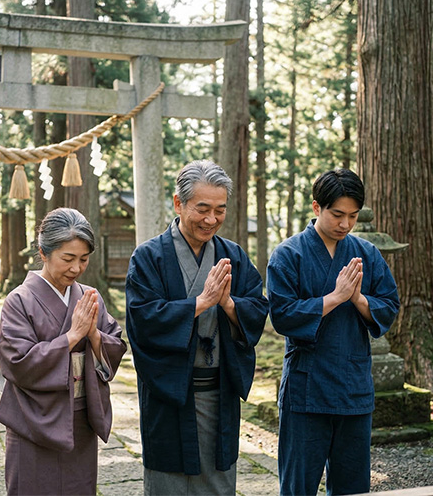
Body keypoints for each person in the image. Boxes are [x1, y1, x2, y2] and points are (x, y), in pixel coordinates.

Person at [125, 160, 268, 495]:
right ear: (179, 203)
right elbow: (142, 320)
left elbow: (257, 308)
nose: (211, 219)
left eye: (220, 210)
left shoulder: (233, 256)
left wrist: (228, 304)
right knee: (168, 481)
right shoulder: (149, 257)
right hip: (170, 393)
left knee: (218, 481)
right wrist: (200, 303)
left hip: (219, 393)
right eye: (202, 209)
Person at [267, 168, 400, 496]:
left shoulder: (366, 254)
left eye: (353, 216)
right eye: (338, 214)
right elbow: (282, 316)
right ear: (317, 207)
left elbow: (389, 305)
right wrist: (336, 297)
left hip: (353, 386)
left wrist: (359, 299)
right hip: (307, 388)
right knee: (298, 485)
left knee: (353, 486)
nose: (345, 224)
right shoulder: (289, 254)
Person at [0, 208, 127, 495]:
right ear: (43, 252)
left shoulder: (89, 296)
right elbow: (17, 363)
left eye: (83, 259)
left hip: (79, 417)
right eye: (68, 259)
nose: (76, 268)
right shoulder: (19, 301)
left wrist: (93, 335)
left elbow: (114, 347)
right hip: (33, 420)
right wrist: (72, 336)